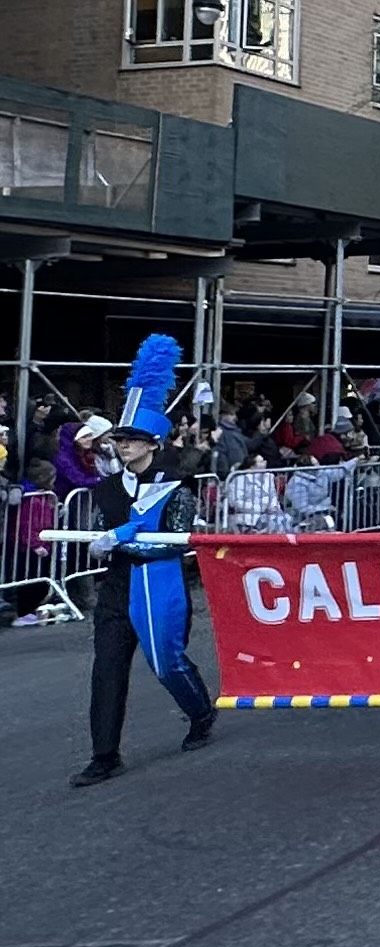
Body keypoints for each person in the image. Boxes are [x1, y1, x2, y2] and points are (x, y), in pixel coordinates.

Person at [73, 334, 217, 787]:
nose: (124, 445)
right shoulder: (108, 488)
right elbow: (101, 527)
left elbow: (174, 543)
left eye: (132, 439)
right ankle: (104, 755)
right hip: (117, 589)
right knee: (106, 671)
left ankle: (201, 713)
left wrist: (121, 541)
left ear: (152, 443)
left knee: (167, 663)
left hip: (160, 585)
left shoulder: (176, 488)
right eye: (120, 438)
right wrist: (102, 541)